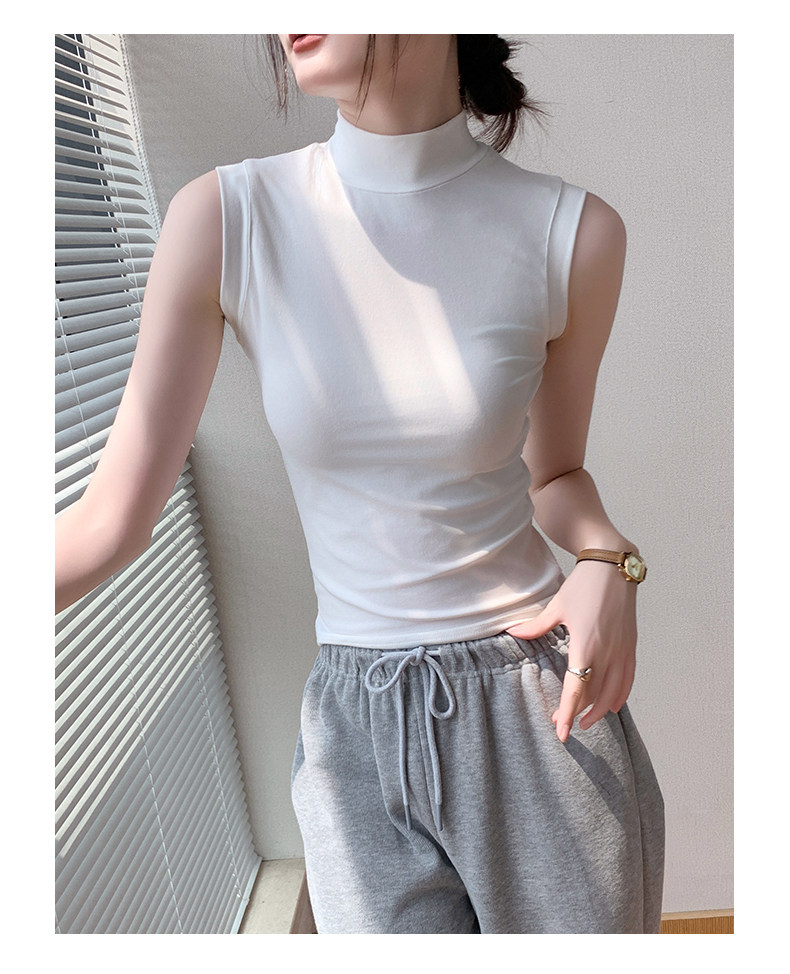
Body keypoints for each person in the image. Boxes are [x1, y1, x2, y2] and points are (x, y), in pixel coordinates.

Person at [55, 34, 664, 934]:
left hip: (541, 714)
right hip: (354, 733)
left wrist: (611, 562)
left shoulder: (572, 233)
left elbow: (558, 473)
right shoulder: (228, 217)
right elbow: (109, 520)